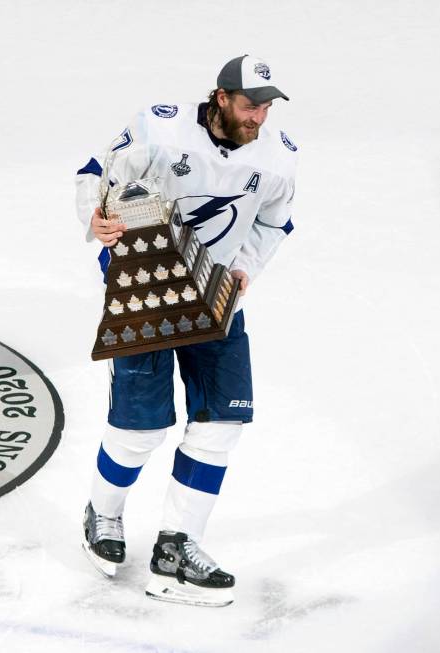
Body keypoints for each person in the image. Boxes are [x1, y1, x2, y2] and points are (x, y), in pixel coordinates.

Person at [75, 54, 298, 606]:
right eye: (250, 104)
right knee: (141, 425)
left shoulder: (277, 158)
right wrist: (95, 218)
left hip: (216, 292)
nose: (259, 117)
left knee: (224, 418)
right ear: (220, 97)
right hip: (146, 289)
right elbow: (95, 177)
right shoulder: (161, 127)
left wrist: (246, 264)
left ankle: (178, 547)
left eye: (267, 106)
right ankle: (102, 513)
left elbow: (274, 219)